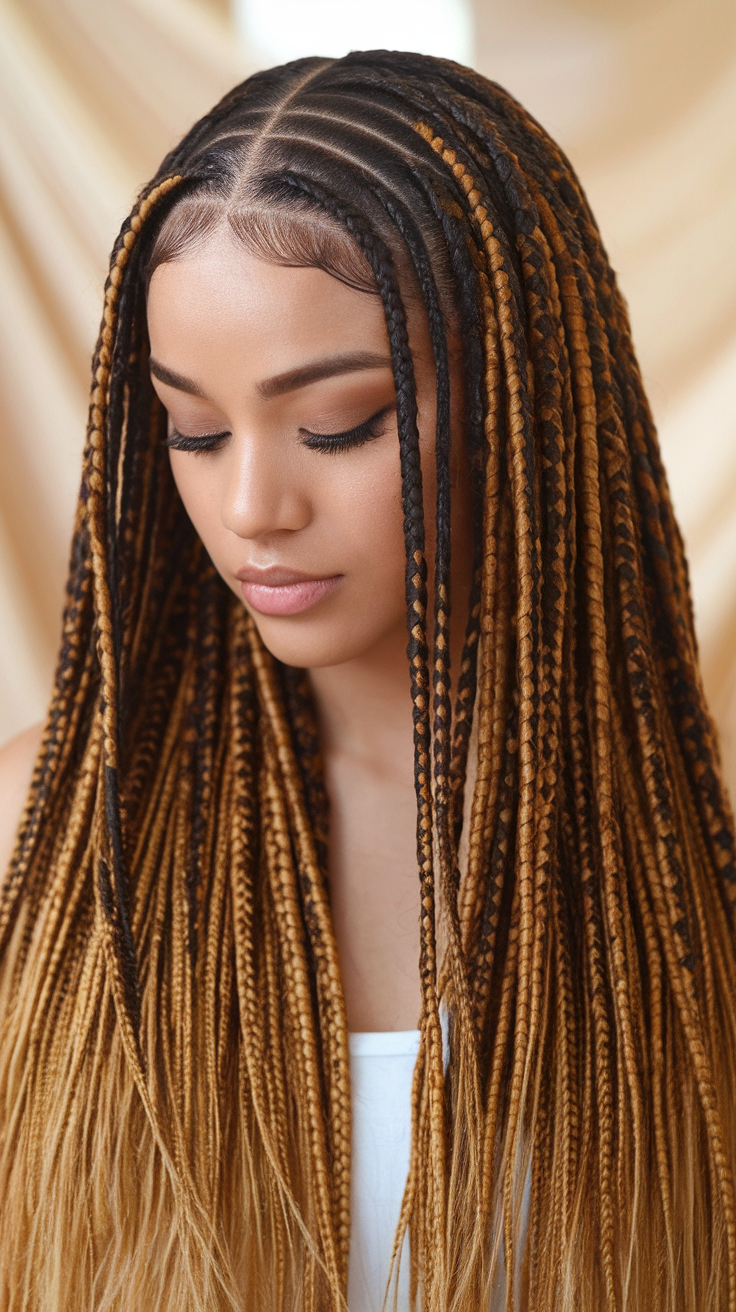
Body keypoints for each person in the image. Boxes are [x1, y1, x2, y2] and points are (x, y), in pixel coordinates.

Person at [0, 49, 734, 1312]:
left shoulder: (695, 858)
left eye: (337, 422)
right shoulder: (38, 833)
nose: (250, 507)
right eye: (192, 429)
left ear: (522, 398)